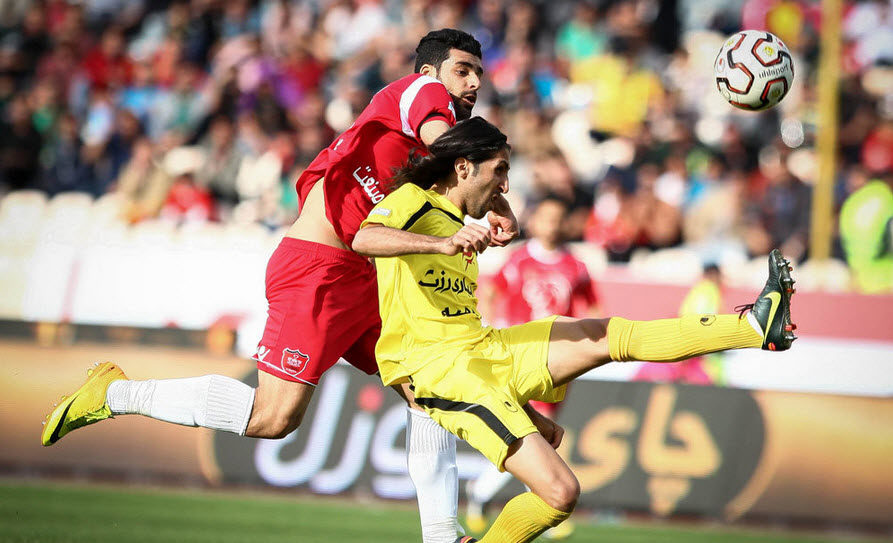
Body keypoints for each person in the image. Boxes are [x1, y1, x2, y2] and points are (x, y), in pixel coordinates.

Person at [41, 29, 522, 543]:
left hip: (370, 274)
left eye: (478, 73)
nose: (472, 82)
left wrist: (495, 205)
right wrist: (498, 201)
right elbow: (448, 150)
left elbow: (454, 170)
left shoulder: (447, 139)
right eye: (462, 70)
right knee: (273, 418)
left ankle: (442, 537)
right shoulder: (420, 96)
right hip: (321, 271)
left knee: (428, 388)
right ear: (428, 71)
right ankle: (113, 392)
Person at [351, 117, 797, 543]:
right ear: (463, 167)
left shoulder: (461, 224)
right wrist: (442, 243)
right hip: (440, 370)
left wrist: (526, 411)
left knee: (604, 334)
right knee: (560, 493)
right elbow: (365, 237)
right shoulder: (414, 201)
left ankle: (755, 326)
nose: (505, 184)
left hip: (483, 351)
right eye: (500, 170)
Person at [466, 196, 599, 539]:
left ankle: (521, 498)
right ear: (536, 220)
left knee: (541, 436)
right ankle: (496, 495)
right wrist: (496, 328)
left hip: (559, 359)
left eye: (558, 218)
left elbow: (590, 304)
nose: (552, 224)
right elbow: (493, 294)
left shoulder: (575, 264)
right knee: (529, 431)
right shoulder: (519, 260)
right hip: (523, 355)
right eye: (546, 217)